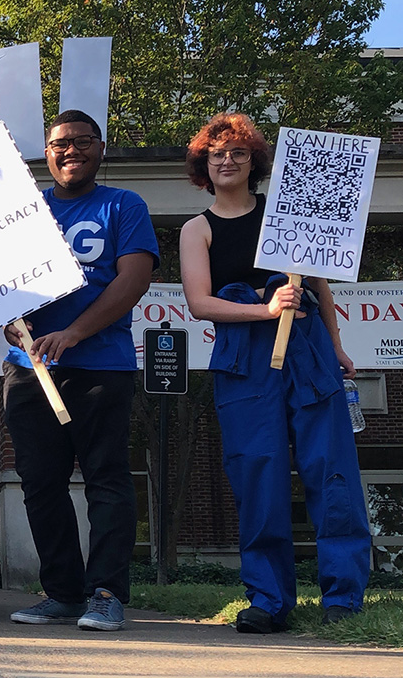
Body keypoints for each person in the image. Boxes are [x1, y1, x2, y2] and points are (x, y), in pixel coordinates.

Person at [179, 113, 370, 634]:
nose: (226, 160)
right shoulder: (198, 229)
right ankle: (268, 598)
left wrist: (336, 347)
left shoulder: (289, 214)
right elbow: (200, 303)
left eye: (237, 152)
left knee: (332, 472)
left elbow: (319, 287)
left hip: (307, 352)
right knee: (256, 473)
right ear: (203, 164)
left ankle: (343, 596)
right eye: (216, 153)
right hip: (243, 359)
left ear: (253, 162)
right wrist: (264, 312)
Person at [2, 110, 158, 632]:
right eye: (58, 144)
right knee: (40, 484)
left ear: (101, 146)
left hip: (100, 366)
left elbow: (132, 281)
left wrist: (76, 332)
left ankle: (107, 592)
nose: (70, 150)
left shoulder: (124, 205)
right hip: (30, 371)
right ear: (45, 154)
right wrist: (4, 319)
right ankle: (62, 592)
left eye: (81, 141)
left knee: (105, 478)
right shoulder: (25, 212)